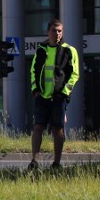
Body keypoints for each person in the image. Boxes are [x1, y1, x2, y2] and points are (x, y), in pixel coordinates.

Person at [29, 18, 79, 170]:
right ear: (48, 32)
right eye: (54, 30)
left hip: (59, 97)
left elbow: (74, 74)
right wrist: (35, 90)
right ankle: (34, 161)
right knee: (38, 127)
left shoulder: (70, 50)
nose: (57, 33)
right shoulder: (41, 50)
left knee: (58, 129)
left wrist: (64, 93)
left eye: (59, 31)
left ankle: (56, 163)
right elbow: (33, 71)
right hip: (42, 96)